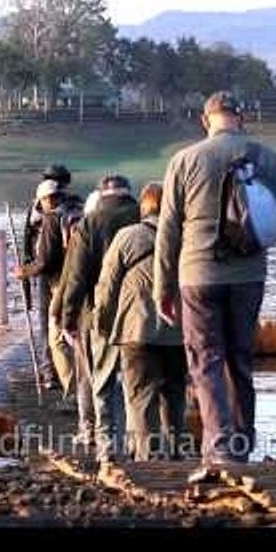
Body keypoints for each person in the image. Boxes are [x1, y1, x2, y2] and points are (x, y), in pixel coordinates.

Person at [154, 91, 276, 480]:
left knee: (206, 361)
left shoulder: (184, 160)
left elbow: (167, 230)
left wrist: (161, 289)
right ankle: (242, 443)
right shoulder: (265, 157)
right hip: (249, 275)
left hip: (197, 275)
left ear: (206, 121)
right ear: (242, 118)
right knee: (240, 360)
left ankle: (219, 448)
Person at [94, 182, 187, 461]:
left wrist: (103, 324)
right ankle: (176, 455)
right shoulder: (186, 237)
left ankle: (148, 459)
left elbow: (107, 285)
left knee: (141, 396)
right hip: (178, 330)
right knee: (174, 394)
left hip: (136, 329)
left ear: (143, 209)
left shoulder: (127, 236)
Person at [62, 174, 140, 468]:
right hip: (144, 311)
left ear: (101, 194)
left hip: (100, 313)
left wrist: (68, 318)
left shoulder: (90, 223)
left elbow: (76, 277)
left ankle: (108, 447)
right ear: (128, 193)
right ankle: (140, 444)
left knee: (104, 381)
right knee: (138, 382)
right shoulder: (144, 215)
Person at [49, 189, 101, 445]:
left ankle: (89, 429)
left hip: (87, 315)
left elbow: (73, 277)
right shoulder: (127, 226)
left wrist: (61, 315)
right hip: (121, 314)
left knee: (86, 374)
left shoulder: (84, 233)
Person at [13, 179, 67, 388]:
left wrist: (24, 272)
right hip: (73, 275)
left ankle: (50, 373)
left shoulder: (51, 218)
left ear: (46, 199)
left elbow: (44, 260)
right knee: (66, 325)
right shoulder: (74, 209)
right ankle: (57, 371)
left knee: (48, 323)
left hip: (51, 277)